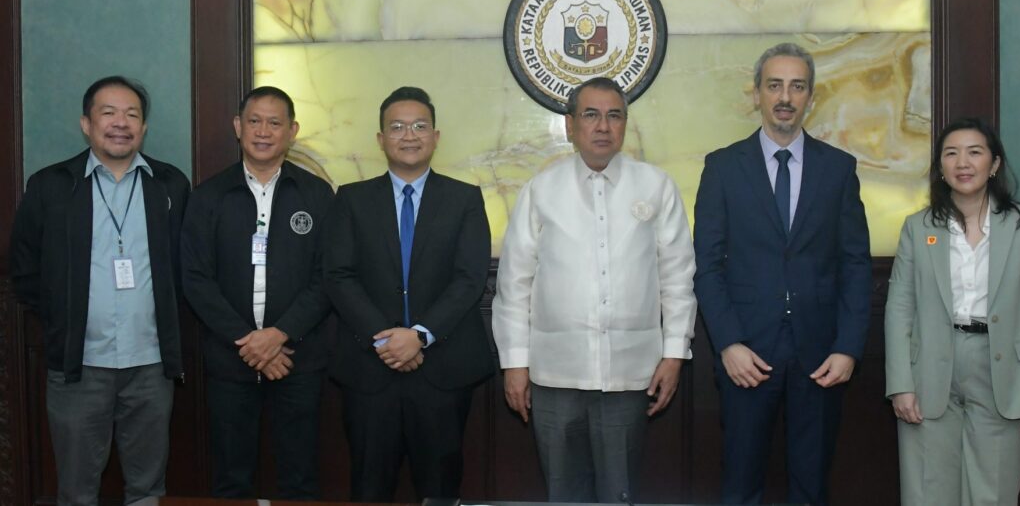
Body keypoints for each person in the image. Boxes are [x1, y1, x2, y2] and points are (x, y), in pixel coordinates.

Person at [492, 77, 697, 504]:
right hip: (553, 375)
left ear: (624, 124)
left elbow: (677, 277)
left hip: (629, 374)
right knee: (563, 493)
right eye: (590, 115)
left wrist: (675, 354)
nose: (602, 126)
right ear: (570, 126)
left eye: (614, 115)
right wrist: (514, 364)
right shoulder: (541, 190)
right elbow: (514, 284)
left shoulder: (655, 187)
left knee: (619, 493)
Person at [693, 43, 872, 505]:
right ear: (756, 94)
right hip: (747, 357)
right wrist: (729, 343)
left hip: (820, 358)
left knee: (812, 486)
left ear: (811, 96)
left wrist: (848, 348)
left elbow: (855, 265)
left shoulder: (839, 169)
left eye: (797, 86)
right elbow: (708, 266)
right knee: (740, 483)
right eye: (774, 85)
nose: (785, 97)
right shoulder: (722, 168)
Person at [9, 76, 190, 506]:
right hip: (79, 366)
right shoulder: (51, 185)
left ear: (143, 128)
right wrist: (61, 320)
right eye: (108, 113)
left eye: (132, 114)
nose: (120, 123)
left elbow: (188, 268)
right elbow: (24, 268)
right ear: (86, 124)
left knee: (148, 490)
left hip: (150, 365)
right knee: (75, 491)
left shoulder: (169, 185)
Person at [322, 86, 493, 501]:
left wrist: (418, 335)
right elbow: (339, 275)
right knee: (369, 486)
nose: (409, 135)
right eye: (397, 127)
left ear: (436, 136)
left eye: (419, 126)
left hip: (442, 368)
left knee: (439, 488)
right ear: (381, 139)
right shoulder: (352, 199)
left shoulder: (464, 199)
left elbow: (470, 278)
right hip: (370, 368)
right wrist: (385, 337)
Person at [884, 117, 1020, 505]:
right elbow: (900, 307)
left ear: (994, 164)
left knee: (992, 492)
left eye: (974, 152)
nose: (963, 162)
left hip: (1004, 371)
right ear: (941, 168)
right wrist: (901, 384)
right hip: (930, 369)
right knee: (929, 490)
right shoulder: (919, 228)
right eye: (951, 154)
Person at [181, 86, 333, 499]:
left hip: (298, 358)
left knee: (299, 476)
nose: (263, 131)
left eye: (274, 122)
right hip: (232, 358)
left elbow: (328, 276)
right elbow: (195, 278)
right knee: (231, 476)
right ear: (237, 127)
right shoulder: (209, 196)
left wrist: (278, 335)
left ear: (292, 131)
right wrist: (249, 343)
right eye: (253, 121)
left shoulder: (317, 196)